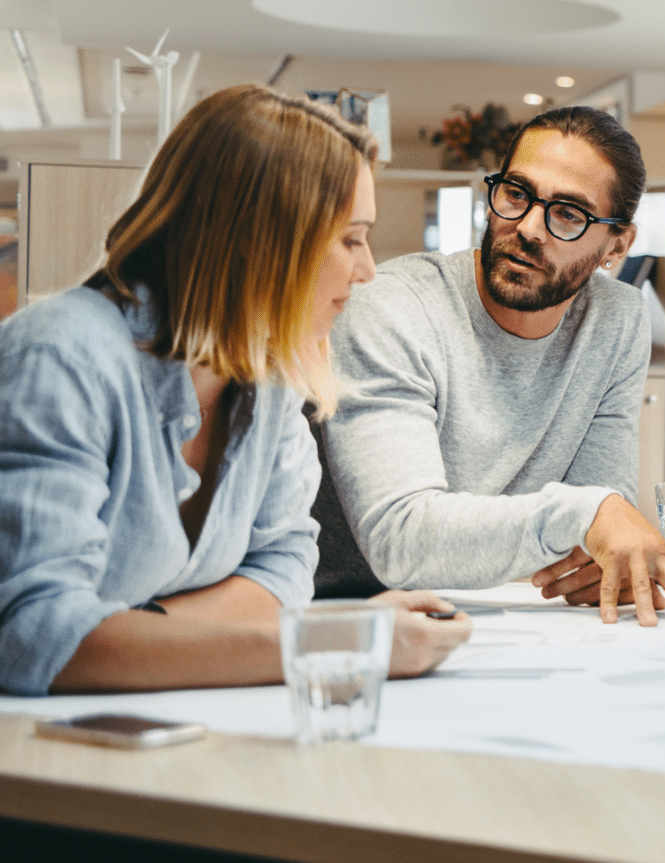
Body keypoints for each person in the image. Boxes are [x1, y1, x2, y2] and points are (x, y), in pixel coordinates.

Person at [0, 84, 471, 696]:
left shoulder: (268, 379)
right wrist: (339, 640)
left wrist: (131, 633)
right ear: (261, 237)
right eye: (351, 238)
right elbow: (33, 636)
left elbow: (285, 570)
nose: (368, 269)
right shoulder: (59, 355)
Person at [315, 106, 665, 626]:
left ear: (618, 245)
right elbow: (401, 539)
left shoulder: (618, 320)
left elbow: (593, 537)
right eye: (516, 194)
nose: (527, 228)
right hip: (354, 619)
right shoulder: (392, 306)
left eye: (569, 214)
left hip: (505, 621)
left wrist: (596, 538)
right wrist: (587, 516)